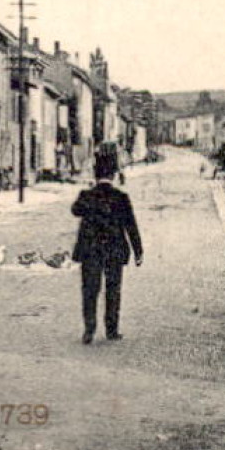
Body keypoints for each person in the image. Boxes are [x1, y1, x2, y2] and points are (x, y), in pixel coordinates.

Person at [71, 144, 143, 344]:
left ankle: (89, 329)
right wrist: (138, 251)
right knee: (113, 290)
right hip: (114, 250)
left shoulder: (86, 196)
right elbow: (131, 226)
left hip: (90, 251)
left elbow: (75, 210)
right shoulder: (121, 198)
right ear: (113, 175)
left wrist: (88, 190)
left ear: (95, 174)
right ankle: (112, 330)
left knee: (90, 290)